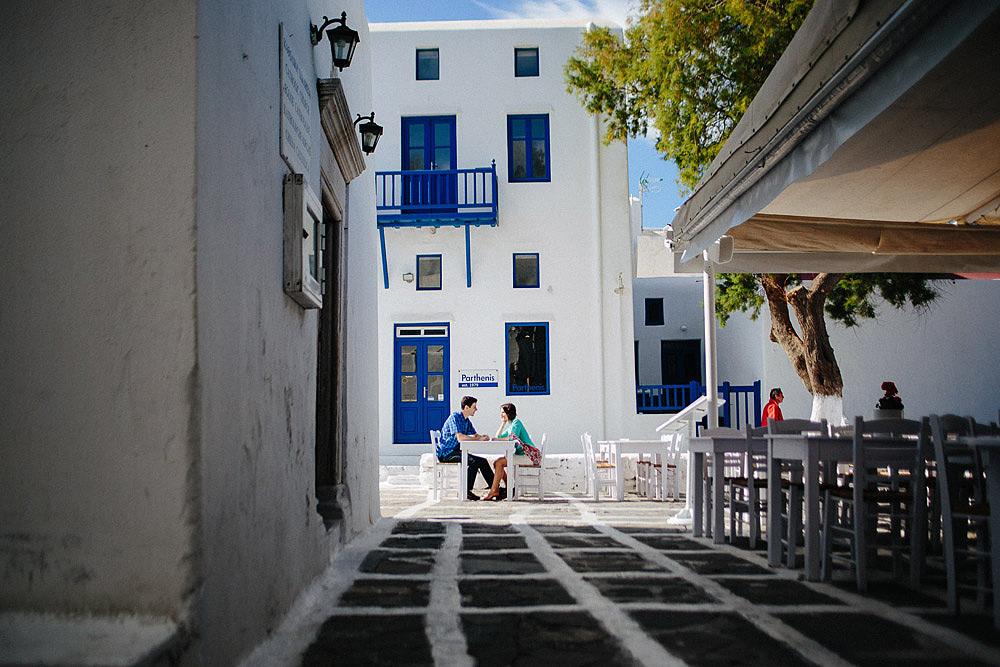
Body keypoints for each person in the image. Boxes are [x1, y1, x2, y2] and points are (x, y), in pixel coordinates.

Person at [438, 396, 494, 501]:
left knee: (482, 461)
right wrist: (479, 439)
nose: (476, 409)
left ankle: (495, 488)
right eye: (474, 407)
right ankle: (466, 491)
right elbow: (460, 437)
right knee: (473, 462)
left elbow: (475, 435)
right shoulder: (455, 417)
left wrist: (482, 437)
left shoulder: (466, 421)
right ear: (467, 407)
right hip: (447, 453)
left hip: (457, 452)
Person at [483, 403, 540, 501]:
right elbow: (497, 437)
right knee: (497, 463)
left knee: (499, 463)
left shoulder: (516, 423)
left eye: (503, 413)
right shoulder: (511, 425)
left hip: (528, 456)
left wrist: (498, 440)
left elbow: (512, 438)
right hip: (521, 455)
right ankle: (508, 487)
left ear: (508, 413)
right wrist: (502, 423)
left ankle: (494, 490)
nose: (501, 415)